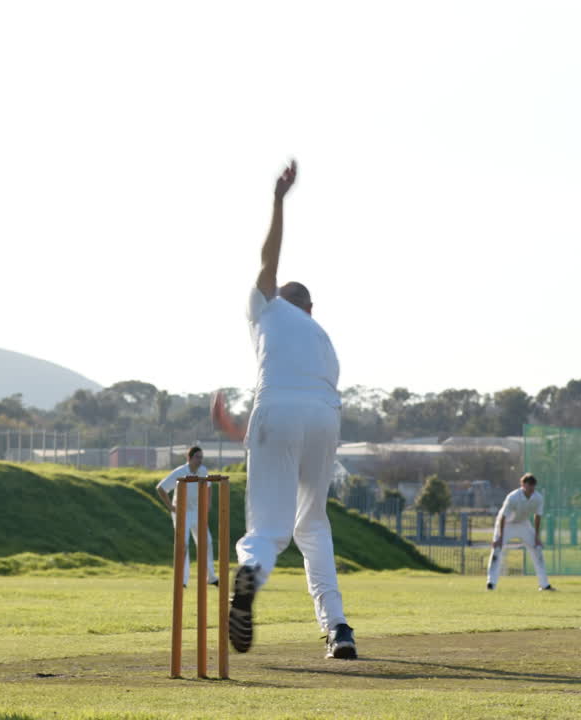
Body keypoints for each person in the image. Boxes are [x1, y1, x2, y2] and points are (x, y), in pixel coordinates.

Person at [228, 160, 356, 661]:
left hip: (280, 410)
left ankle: (249, 578)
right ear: (313, 308)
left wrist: (278, 200)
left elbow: (268, 259)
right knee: (313, 525)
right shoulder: (323, 339)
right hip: (325, 417)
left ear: (282, 299)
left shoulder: (267, 306)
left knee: (268, 530)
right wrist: (244, 429)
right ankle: (339, 628)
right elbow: (302, 409)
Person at [156, 446, 219, 587]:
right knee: (183, 545)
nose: (200, 460)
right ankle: (183, 580)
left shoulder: (203, 471)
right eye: (197, 457)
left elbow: (208, 486)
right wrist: (170, 507)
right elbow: (161, 488)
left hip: (197, 512)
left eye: (201, 457)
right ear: (189, 458)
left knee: (207, 542)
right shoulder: (180, 472)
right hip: (181, 512)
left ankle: (211, 577)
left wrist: (208, 503)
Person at [486, 474, 553, 591]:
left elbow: (538, 517)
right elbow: (502, 517)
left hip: (523, 524)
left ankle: (545, 585)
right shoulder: (512, 497)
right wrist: (500, 538)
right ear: (523, 485)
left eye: (533, 487)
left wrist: (537, 537)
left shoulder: (538, 498)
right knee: (497, 550)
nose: (530, 489)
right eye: (528, 486)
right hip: (506, 524)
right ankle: (491, 584)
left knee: (537, 550)